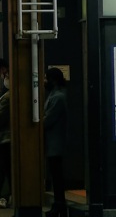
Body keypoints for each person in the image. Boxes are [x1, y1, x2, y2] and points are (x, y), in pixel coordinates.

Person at [44, 67, 69, 217]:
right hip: (52, 142)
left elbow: (48, 119)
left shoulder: (58, 97)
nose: (45, 82)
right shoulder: (55, 95)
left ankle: (60, 205)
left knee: (57, 175)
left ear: (53, 80)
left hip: (55, 142)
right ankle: (58, 204)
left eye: (47, 78)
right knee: (55, 175)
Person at [0, 71, 12, 209]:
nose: (5, 79)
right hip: (10, 138)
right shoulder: (9, 95)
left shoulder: (7, 98)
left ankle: (3, 196)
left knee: (3, 169)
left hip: (5, 138)